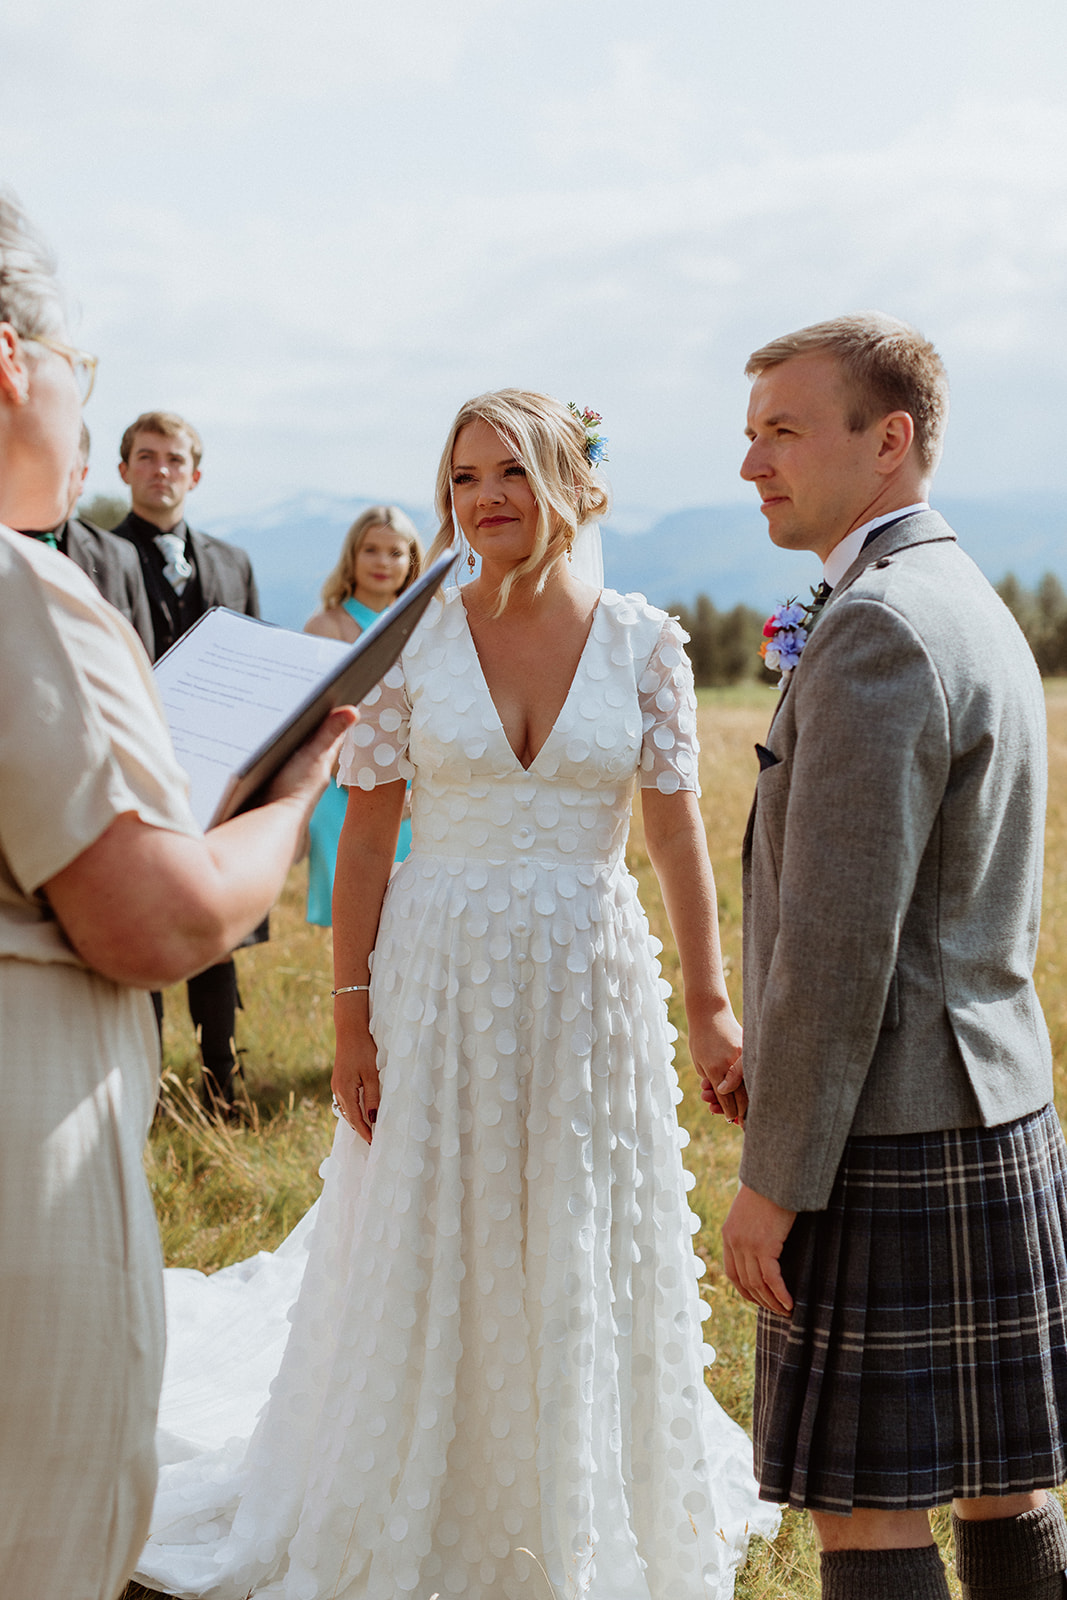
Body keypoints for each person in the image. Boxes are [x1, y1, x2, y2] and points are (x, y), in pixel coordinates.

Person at [135, 388, 778, 1599]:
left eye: (512, 473)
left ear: (571, 487)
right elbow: (365, 834)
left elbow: (677, 839)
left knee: (576, 1212)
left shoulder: (644, 639)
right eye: (464, 475)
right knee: (432, 1217)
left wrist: (707, 1001)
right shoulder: (414, 642)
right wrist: (348, 1010)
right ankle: (412, 1478)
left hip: (589, 974)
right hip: (436, 971)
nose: (483, 498)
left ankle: (571, 1488)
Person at [0, 189, 354, 1600]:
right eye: (83, 374)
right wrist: (284, 802)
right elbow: (153, 919)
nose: (85, 423)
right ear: (12, 363)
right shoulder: (20, 592)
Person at [720, 313, 1067, 1600]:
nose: (753, 462)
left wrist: (774, 1177)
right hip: (990, 1103)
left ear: (888, 440)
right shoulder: (962, 596)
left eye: (784, 431)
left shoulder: (874, 625)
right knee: (1002, 1480)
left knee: (864, 1512)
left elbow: (836, 944)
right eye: (749, 434)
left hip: (886, 1130)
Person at [112, 410, 264, 1113]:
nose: (161, 469)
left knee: (211, 922)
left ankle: (218, 1083)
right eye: (146, 457)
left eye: (174, 459)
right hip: (129, 768)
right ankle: (140, 1085)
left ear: (194, 475)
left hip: (218, 773)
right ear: (124, 471)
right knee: (139, 918)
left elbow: (259, 668)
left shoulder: (232, 563)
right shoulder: (93, 554)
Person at [303, 505, 423, 925]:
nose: (383, 562)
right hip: (345, 792)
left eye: (395, 552)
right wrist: (365, 786)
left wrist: (417, 790)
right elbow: (316, 721)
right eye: (371, 549)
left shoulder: (424, 623)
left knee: (412, 919)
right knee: (355, 922)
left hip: (417, 796)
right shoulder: (327, 626)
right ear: (352, 556)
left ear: (412, 561)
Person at [19, 418, 155, 652]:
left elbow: (142, 662)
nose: (51, 475)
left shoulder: (119, 555)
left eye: (65, 465)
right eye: (40, 460)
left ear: (83, 475)